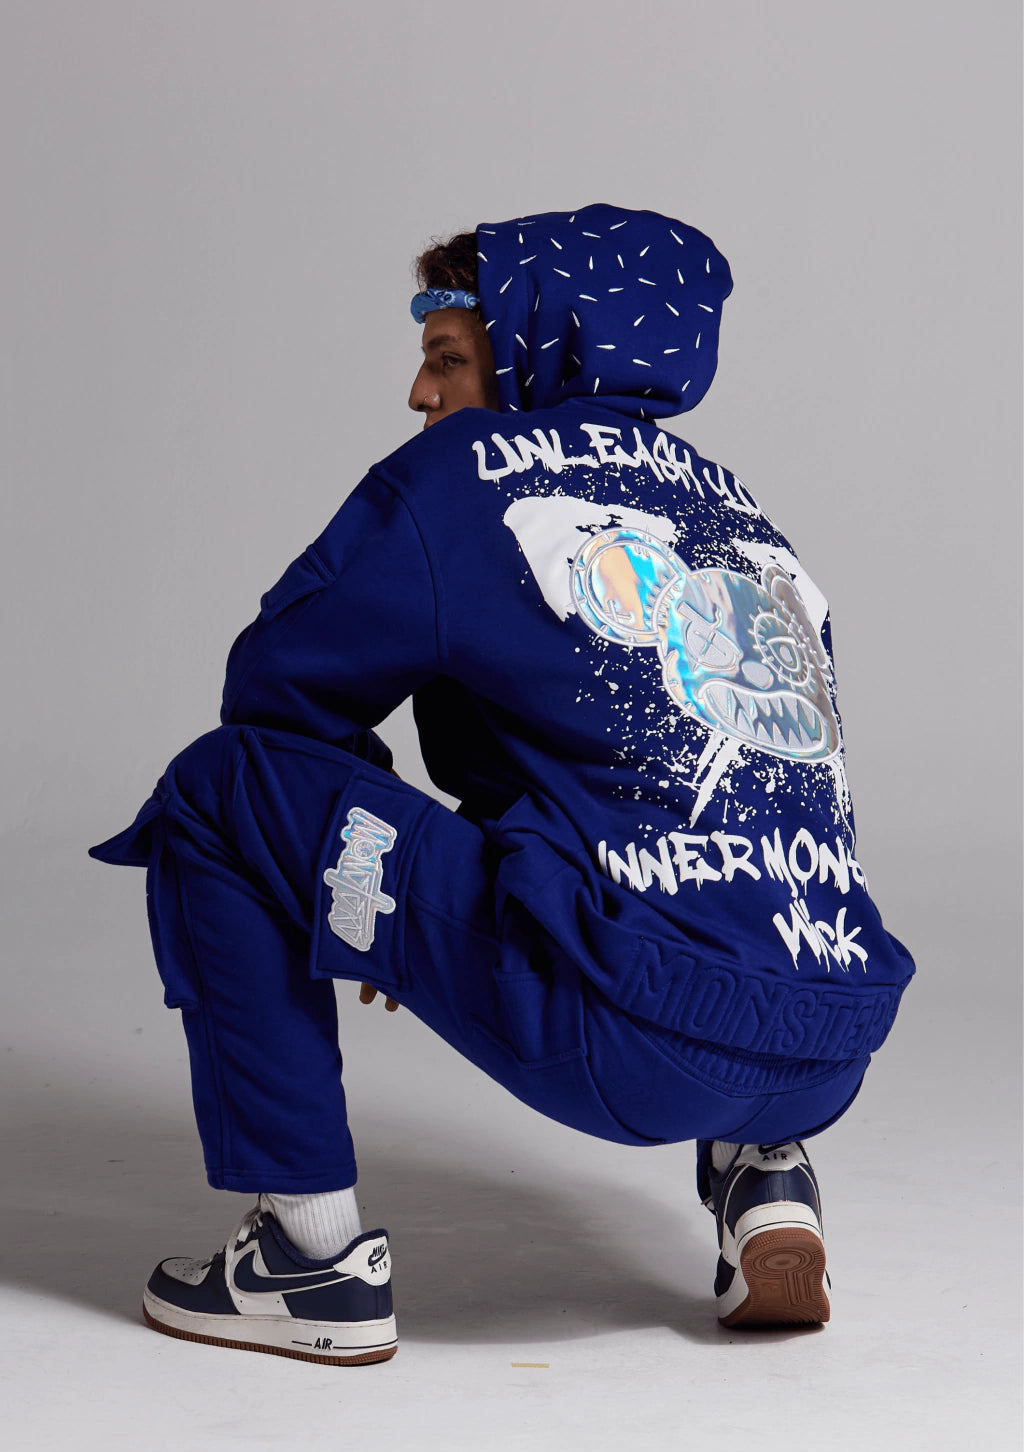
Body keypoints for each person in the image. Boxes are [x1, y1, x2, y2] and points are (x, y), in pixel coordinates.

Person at [90, 203, 915, 1365]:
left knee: (219, 791)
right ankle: (766, 1182)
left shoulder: (462, 480)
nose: (419, 395)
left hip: (630, 1041)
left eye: (445, 358)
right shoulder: (738, 514)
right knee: (713, 852)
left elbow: (272, 693)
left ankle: (302, 1258)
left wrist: (354, 876)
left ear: (534, 353)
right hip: (834, 1041)